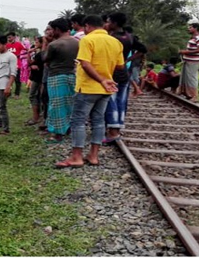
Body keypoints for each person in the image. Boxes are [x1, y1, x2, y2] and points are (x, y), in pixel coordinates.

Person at [55, 15, 123, 168]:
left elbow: (85, 64)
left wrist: (100, 79)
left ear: (87, 26)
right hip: (105, 89)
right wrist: (105, 72)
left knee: (78, 121)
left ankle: (76, 157)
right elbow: (120, 66)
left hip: (88, 87)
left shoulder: (88, 40)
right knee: (98, 121)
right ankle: (93, 156)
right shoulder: (115, 42)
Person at [44, 18, 79, 143]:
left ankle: (56, 134)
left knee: (56, 104)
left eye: (52, 29)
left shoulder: (54, 44)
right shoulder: (77, 42)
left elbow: (44, 58)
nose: (51, 32)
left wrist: (45, 42)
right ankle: (68, 128)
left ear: (57, 29)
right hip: (72, 75)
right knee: (69, 102)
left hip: (56, 76)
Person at [104, 12, 133, 143]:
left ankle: (113, 132)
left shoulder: (112, 38)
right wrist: (128, 59)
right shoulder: (129, 37)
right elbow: (142, 49)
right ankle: (118, 129)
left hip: (113, 73)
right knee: (121, 102)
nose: (106, 24)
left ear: (114, 23)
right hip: (124, 73)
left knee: (112, 102)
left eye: (108, 21)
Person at [178, 23, 199, 102]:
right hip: (188, 60)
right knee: (186, 78)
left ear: (195, 28)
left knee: (192, 78)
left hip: (193, 62)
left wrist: (185, 52)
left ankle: (195, 96)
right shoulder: (192, 38)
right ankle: (188, 94)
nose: (189, 29)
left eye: (190, 28)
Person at [26, 36, 44, 126]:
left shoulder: (41, 54)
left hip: (38, 78)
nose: (35, 44)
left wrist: (29, 54)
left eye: (37, 42)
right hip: (36, 77)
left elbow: (30, 63)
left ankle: (36, 117)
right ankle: (38, 116)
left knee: (33, 95)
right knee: (37, 96)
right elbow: (30, 63)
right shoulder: (39, 53)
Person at [6, 32, 24, 98]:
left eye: (10, 37)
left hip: (17, 65)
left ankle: (17, 94)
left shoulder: (18, 44)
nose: (9, 38)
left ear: (14, 37)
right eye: (8, 37)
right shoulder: (6, 45)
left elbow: (25, 51)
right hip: (8, 65)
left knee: (17, 80)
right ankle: (8, 93)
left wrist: (20, 55)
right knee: (8, 79)